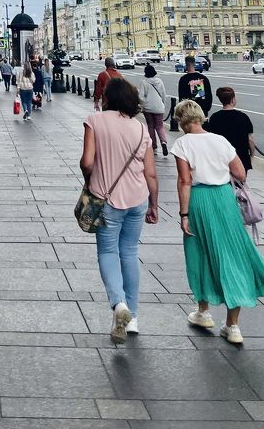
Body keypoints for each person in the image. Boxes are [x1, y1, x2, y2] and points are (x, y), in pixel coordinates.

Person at [172, 100, 264, 345]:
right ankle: (233, 326)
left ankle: (203, 312)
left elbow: (184, 181)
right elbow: (240, 174)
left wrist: (184, 214)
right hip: (224, 199)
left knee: (199, 254)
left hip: (199, 201)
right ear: (201, 117)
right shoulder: (220, 140)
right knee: (233, 254)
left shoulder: (182, 144)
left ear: (181, 120)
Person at [80, 77, 159, 342]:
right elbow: (150, 172)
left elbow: (88, 162)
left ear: (107, 97)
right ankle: (133, 317)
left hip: (107, 198)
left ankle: (118, 304)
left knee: (108, 251)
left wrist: (88, 181)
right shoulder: (140, 128)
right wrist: (154, 204)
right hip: (138, 199)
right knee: (130, 252)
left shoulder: (95, 121)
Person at [206, 87, 254, 174]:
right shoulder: (243, 117)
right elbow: (250, 139)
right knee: (240, 184)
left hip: (221, 157)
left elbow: (211, 138)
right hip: (240, 156)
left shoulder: (215, 117)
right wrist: (252, 154)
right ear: (232, 100)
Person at [138, 64, 168, 156]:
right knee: (160, 126)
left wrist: (143, 105)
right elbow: (163, 94)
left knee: (150, 126)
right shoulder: (159, 81)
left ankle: (154, 147)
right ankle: (163, 142)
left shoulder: (144, 82)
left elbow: (141, 96)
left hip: (148, 108)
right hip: (159, 107)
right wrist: (163, 104)